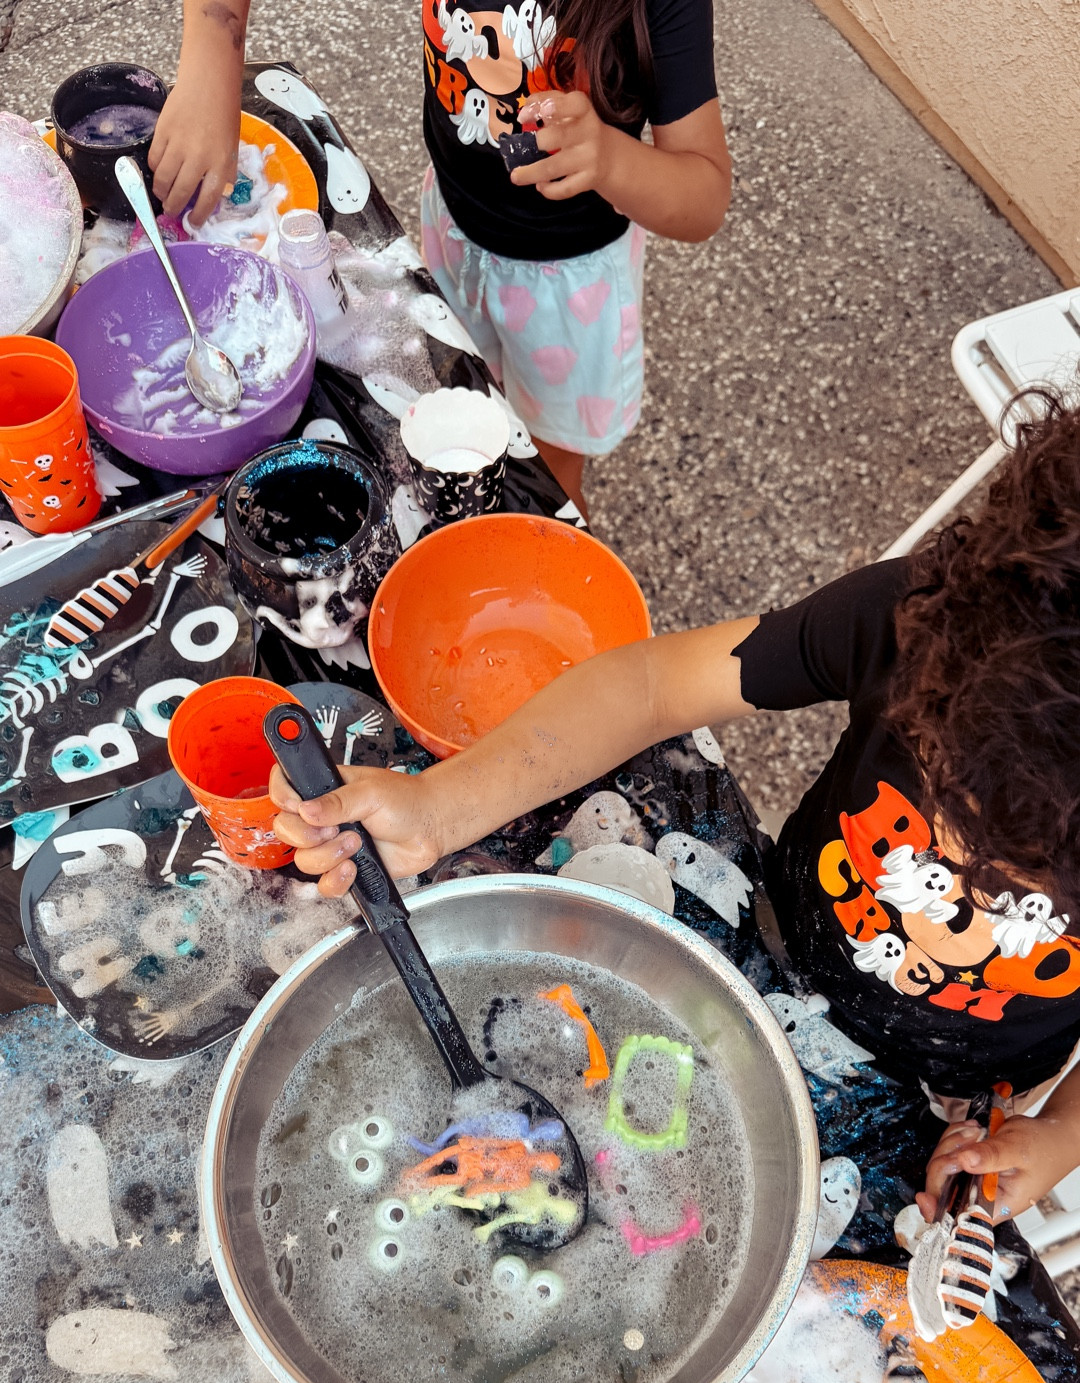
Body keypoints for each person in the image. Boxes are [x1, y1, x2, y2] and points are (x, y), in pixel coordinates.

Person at [270, 398, 1080, 1227]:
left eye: (1015, 868)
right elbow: (653, 686)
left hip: (955, 1090)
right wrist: (441, 807)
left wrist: (1055, 1137)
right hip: (777, 925)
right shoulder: (933, 620)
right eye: (946, 785)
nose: (950, 851)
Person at [149, 0, 731, 512]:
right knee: (462, 404)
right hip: (453, 229)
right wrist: (211, 60)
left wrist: (610, 159)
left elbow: (703, 196)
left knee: (544, 466)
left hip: (571, 291)